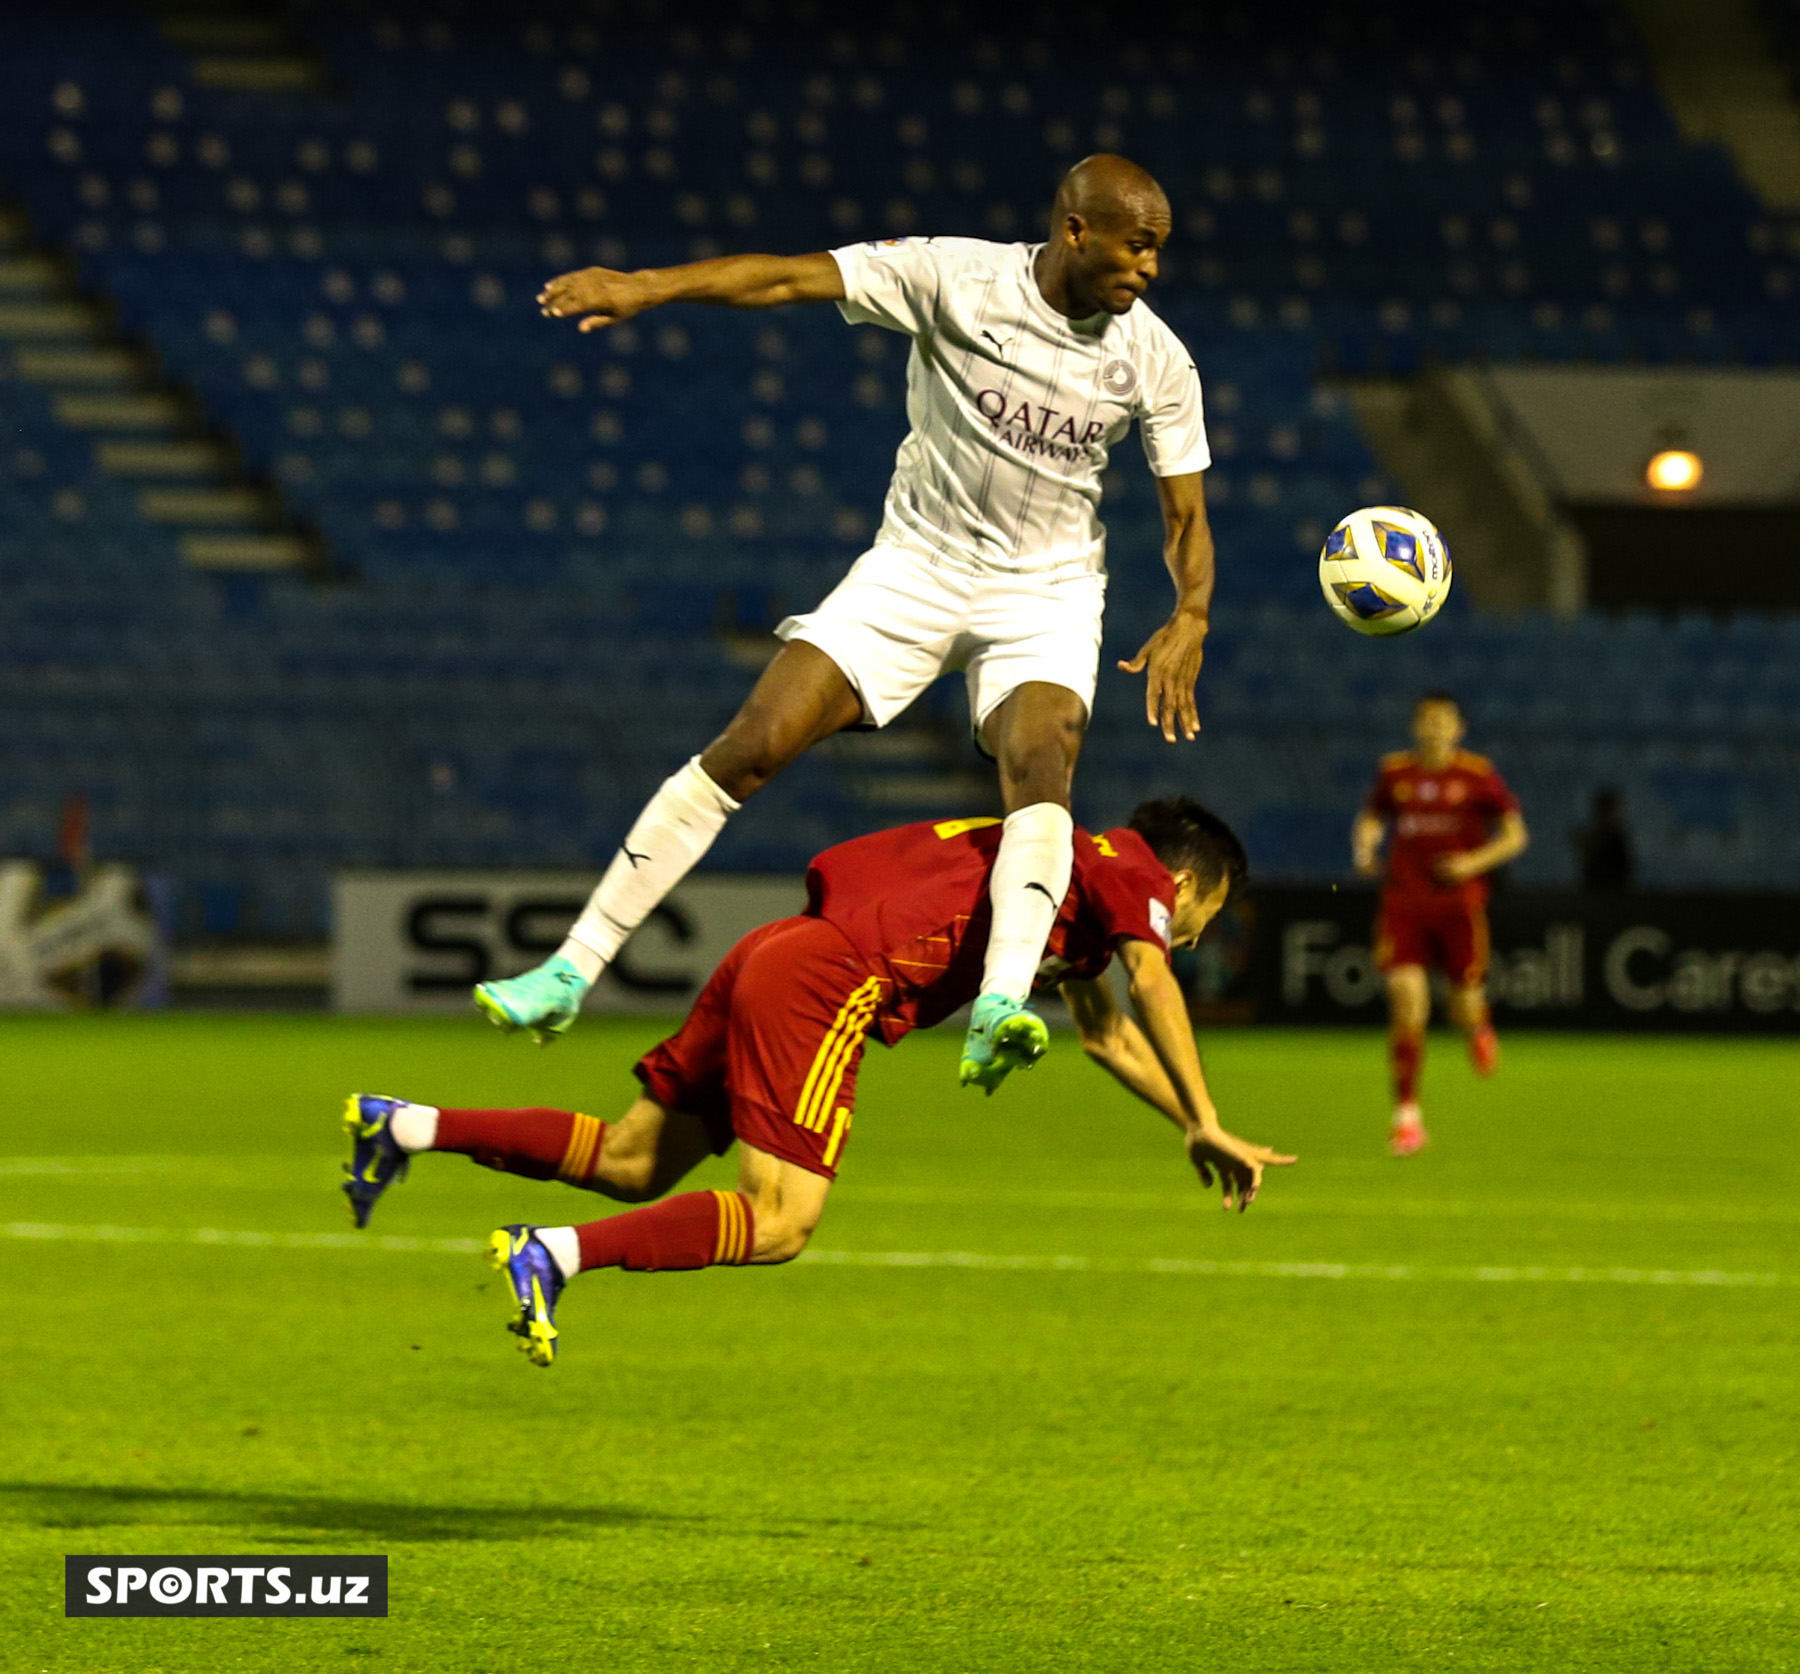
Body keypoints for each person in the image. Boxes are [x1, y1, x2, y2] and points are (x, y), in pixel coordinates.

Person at [473, 153, 1217, 1096]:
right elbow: (788, 274)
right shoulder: (955, 276)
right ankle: (569, 970)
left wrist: (1191, 611)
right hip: (916, 568)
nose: (1150, 268)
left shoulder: (1154, 357)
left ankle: (999, 1007)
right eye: (1137, 246)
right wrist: (645, 287)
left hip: (1047, 591)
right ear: (1077, 230)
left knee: (1043, 759)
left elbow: (1186, 519)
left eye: (1159, 252)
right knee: (751, 745)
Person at [344, 797, 1293, 1367]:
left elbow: (1109, 1036)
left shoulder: (1061, 889)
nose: (1199, 930)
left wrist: (1191, 1125)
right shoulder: (1124, 864)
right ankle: (552, 1255)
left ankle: (406, 1127)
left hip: (776, 951)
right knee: (782, 1220)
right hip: (837, 981)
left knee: (632, 1160)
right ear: (1191, 879)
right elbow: (1153, 977)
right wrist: (1210, 1108)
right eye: (1208, 909)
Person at [1351, 694, 1528, 1156]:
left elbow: (1514, 835)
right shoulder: (1395, 773)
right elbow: (1372, 817)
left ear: (1458, 728)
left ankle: (1478, 1026)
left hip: (1458, 906)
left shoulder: (1476, 775)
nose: (1434, 729)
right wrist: (1366, 847)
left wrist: (1473, 863)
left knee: (1463, 1008)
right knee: (1408, 1007)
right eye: (1427, 721)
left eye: (1443, 722)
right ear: (1415, 727)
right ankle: (1407, 1117)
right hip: (1404, 903)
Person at [1572, 787, 1634, 893]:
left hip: (1614, 894)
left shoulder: (1617, 840)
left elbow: (1625, 871)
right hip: (1596, 893)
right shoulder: (1594, 838)